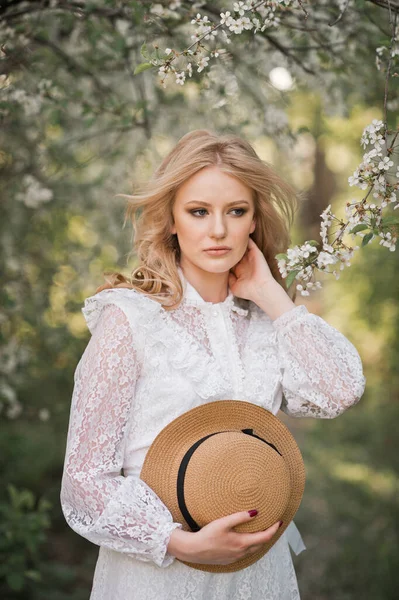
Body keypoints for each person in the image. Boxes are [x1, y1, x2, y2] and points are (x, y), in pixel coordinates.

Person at [60, 129, 366, 600]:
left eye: (236, 211)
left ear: (253, 220)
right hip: (159, 576)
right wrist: (179, 542)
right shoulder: (130, 320)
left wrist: (271, 294)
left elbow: (340, 390)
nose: (218, 230)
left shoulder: (269, 320)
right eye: (199, 211)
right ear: (172, 220)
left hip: (259, 574)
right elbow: (84, 479)